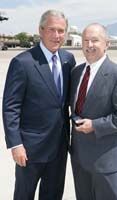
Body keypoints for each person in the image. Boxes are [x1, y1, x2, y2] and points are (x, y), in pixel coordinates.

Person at [2, 9, 76, 200]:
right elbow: (11, 107)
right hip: (30, 149)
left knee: (53, 195)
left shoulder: (68, 60)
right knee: (24, 195)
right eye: (51, 30)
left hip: (59, 147)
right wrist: (15, 144)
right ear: (41, 31)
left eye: (61, 31)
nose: (56, 35)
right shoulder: (23, 62)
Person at [70, 23, 117, 200]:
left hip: (104, 160)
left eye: (95, 40)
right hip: (79, 157)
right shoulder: (76, 73)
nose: (89, 45)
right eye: (85, 40)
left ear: (107, 44)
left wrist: (95, 125)